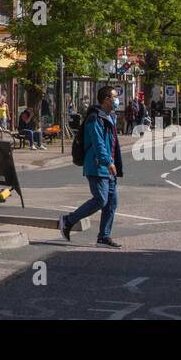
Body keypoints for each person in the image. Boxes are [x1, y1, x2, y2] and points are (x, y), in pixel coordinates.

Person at [59, 85, 125, 247]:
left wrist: (113, 163)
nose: (117, 100)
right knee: (101, 199)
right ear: (107, 99)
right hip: (97, 165)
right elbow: (98, 143)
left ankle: (104, 236)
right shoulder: (94, 118)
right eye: (115, 97)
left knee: (111, 203)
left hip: (109, 167)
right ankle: (68, 220)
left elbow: (111, 144)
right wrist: (108, 162)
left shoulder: (109, 117)